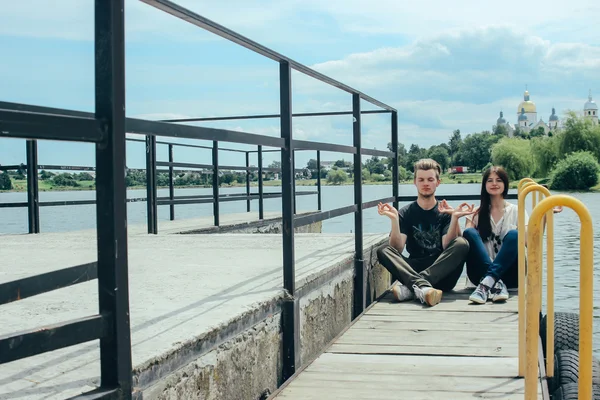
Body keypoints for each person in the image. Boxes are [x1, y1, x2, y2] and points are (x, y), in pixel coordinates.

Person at [376, 158, 474, 307]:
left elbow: (447, 245)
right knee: (384, 249)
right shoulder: (405, 213)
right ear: (415, 182)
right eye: (421, 180)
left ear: (438, 182)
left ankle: (414, 287)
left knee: (462, 243)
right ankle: (422, 286)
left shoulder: (444, 211)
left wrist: (453, 217)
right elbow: (397, 249)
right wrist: (395, 220)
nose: (426, 183)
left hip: (442, 273)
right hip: (414, 268)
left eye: (430, 179)